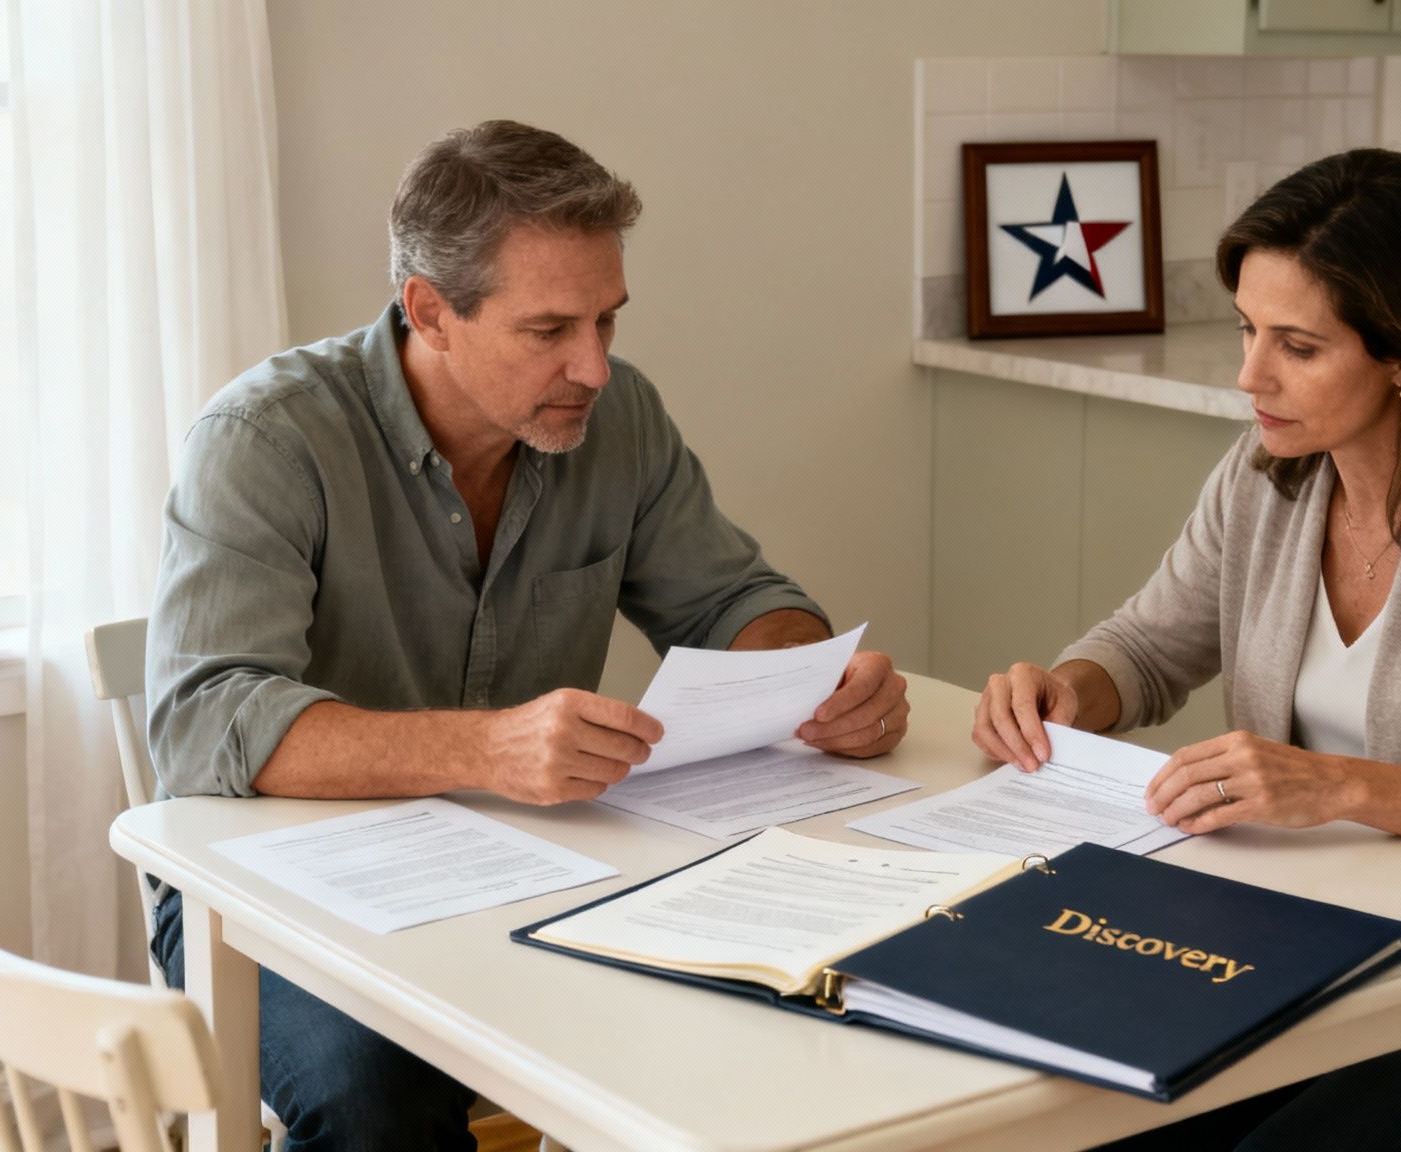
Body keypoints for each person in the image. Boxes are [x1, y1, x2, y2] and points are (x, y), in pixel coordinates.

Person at [143, 120, 909, 1151]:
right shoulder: (266, 439)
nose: (592, 367)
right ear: (430, 311)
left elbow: (732, 598)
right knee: (374, 1096)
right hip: (262, 893)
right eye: (549, 331)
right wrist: (485, 747)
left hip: (531, 863)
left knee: (782, 1002)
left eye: (607, 321)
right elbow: (203, 722)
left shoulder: (617, 419)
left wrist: (808, 678)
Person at [971, 149, 1401, 1151]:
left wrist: (1337, 785)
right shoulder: (1267, 473)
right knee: (1069, 1118)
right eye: (1248, 333)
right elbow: (1148, 645)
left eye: (1295, 345)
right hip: (1296, 954)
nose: (1250, 376)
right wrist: (1068, 689)